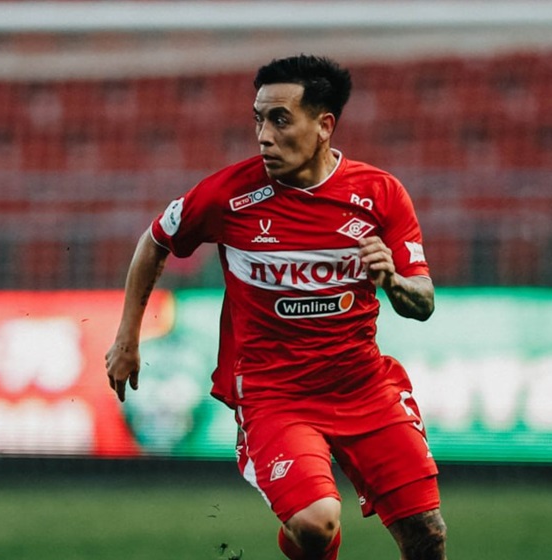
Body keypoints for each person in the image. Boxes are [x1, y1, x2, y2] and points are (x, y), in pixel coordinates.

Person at [106, 54, 447, 560]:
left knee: (427, 534)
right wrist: (126, 341)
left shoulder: (381, 194)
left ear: (324, 126)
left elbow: (423, 302)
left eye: (280, 120)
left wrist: (393, 281)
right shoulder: (227, 195)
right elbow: (154, 242)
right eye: (259, 120)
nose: (264, 136)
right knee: (316, 524)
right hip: (275, 396)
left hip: (364, 386)